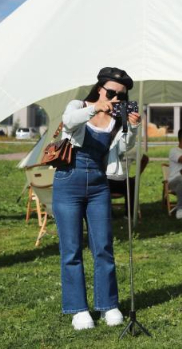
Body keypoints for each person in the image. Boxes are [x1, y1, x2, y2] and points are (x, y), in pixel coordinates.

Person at [53, 67, 139, 330]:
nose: (115, 99)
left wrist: (132, 128)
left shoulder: (116, 120)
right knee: (71, 249)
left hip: (99, 182)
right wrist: (96, 108)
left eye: (121, 96)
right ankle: (78, 309)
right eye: (111, 92)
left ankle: (108, 305)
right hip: (69, 179)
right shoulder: (79, 105)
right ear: (100, 88)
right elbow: (68, 121)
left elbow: (123, 148)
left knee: (103, 246)